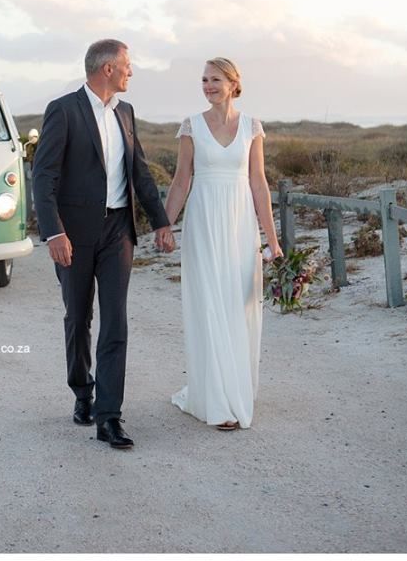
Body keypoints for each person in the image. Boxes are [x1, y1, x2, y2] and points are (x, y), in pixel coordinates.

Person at [32, 39, 175, 449]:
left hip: (118, 232)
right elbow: (43, 178)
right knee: (79, 317)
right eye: (127, 65)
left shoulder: (126, 113)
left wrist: (161, 222)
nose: (132, 72)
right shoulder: (64, 110)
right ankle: (82, 390)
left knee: (116, 320)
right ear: (107, 69)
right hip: (73, 234)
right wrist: (54, 231)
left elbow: (140, 173)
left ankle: (109, 416)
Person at [164, 57, 282, 431]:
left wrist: (272, 241)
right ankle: (214, 400)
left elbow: (259, 184)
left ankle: (235, 388)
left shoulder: (251, 126)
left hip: (239, 224)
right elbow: (182, 181)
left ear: (233, 83)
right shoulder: (191, 126)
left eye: (215, 79)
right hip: (202, 223)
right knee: (208, 304)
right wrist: (165, 225)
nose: (208, 85)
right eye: (203, 80)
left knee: (237, 304)